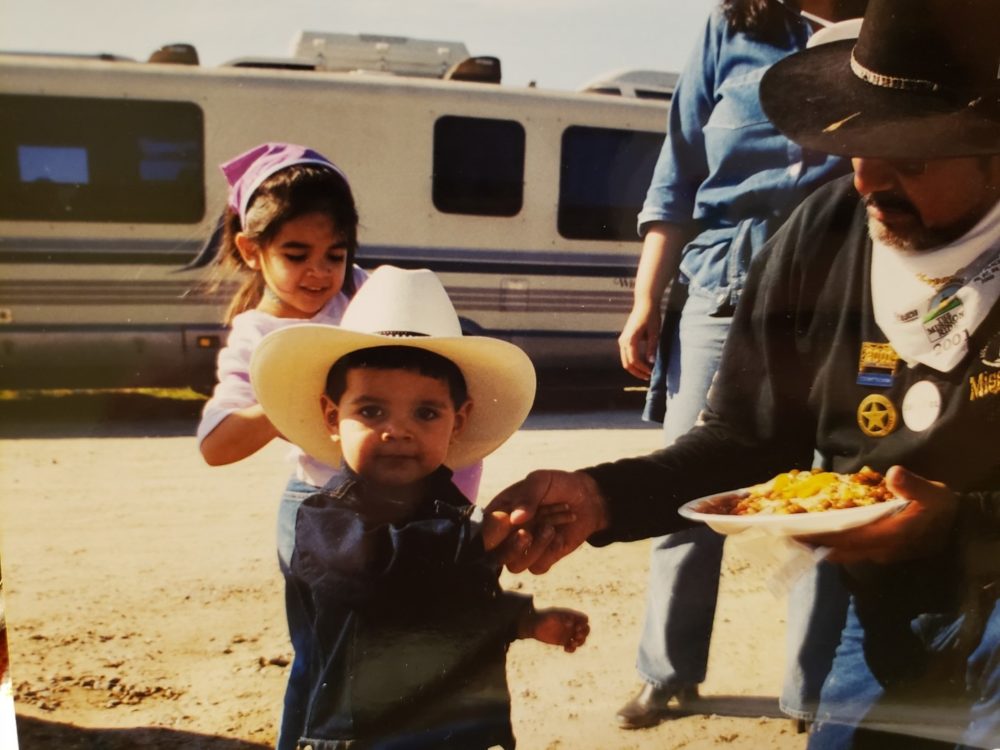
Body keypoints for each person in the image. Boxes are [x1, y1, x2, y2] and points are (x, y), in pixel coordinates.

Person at [489, 0, 1000, 746]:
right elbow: (747, 440)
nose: (868, 183)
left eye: (910, 157)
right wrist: (601, 497)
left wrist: (960, 523)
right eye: (858, 144)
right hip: (887, 613)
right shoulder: (819, 238)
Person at [615, 0, 867, 729]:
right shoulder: (729, 30)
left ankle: (811, 691)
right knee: (691, 477)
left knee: (835, 491)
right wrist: (645, 300)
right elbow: (679, 170)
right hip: (724, 279)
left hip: (844, 283)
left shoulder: (888, 24)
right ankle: (666, 673)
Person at [194, 144, 483, 750]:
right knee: (325, 655)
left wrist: (450, 500)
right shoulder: (256, 333)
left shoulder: (367, 298)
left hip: (404, 500)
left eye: (335, 253)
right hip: (319, 508)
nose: (319, 272)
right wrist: (287, 392)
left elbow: (448, 369)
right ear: (252, 250)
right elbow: (216, 446)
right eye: (295, 254)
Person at [249, 265, 590, 750]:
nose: (398, 430)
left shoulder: (449, 515)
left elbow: (453, 609)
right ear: (332, 416)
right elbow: (378, 581)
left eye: (426, 413)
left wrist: (523, 621)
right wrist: (477, 538)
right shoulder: (326, 518)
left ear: (458, 420)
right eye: (371, 411)